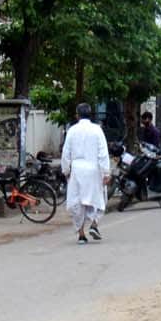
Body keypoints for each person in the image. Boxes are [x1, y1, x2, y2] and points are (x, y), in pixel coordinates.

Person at [61, 102, 111, 245]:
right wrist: (106, 172)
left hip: (77, 170)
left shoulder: (72, 130)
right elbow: (103, 152)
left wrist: (66, 170)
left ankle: (81, 235)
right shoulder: (97, 130)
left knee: (77, 203)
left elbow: (66, 153)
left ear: (77, 115)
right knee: (98, 199)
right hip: (94, 170)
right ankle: (94, 224)